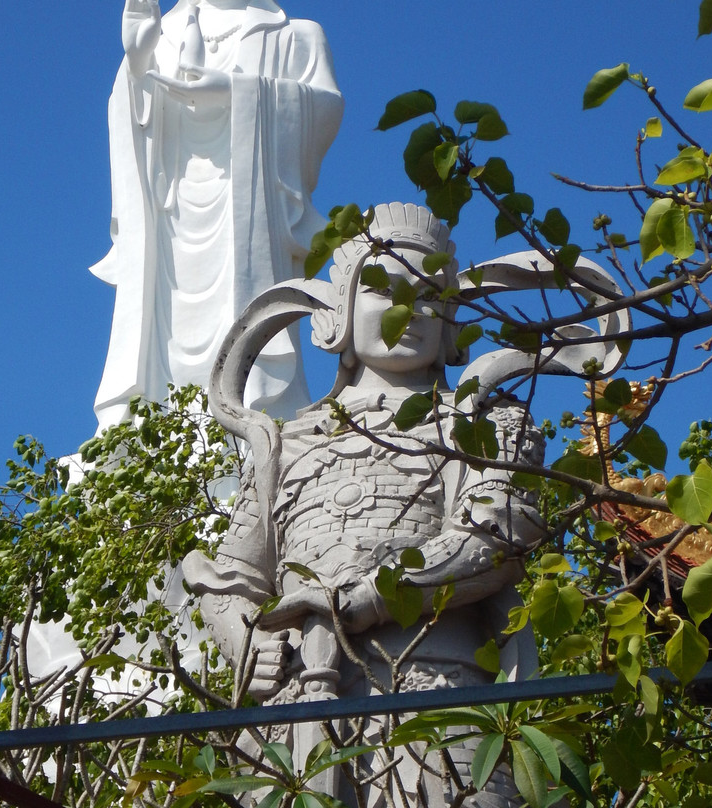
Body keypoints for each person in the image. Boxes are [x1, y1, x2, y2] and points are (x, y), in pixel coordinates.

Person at [182, 203, 547, 807]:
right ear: (339, 312)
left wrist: (363, 598)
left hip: (437, 702)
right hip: (294, 718)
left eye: (429, 295)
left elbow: (496, 537)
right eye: (382, 289)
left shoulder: (484, 421)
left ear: (451, 318)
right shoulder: (285, 443)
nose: (409, 310)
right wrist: (247, 641)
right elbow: (233, 576)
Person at [91, 0, 343, 430]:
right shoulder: (162, 36)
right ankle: (150, 425)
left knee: (244, 322)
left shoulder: (295, 35)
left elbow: (325, 109)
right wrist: (136, 66)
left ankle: (250, 415)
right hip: (169, 217)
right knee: (157, 327)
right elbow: (131, 120)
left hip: (249, 213)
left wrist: (234, 92)